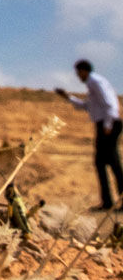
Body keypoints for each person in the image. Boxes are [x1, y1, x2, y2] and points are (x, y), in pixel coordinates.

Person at [56, 59, 123, 210]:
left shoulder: (95, 82)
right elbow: (86, 106)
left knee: (113, 162)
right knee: (102, 163)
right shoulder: (92, 85)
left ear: (83, 71)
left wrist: (107, 125)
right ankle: (108, 202)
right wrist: (68, 97)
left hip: (109, 123)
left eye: (78, 73)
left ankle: (114, 201)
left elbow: (110, 103)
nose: (78, 76)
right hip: (106, 123)